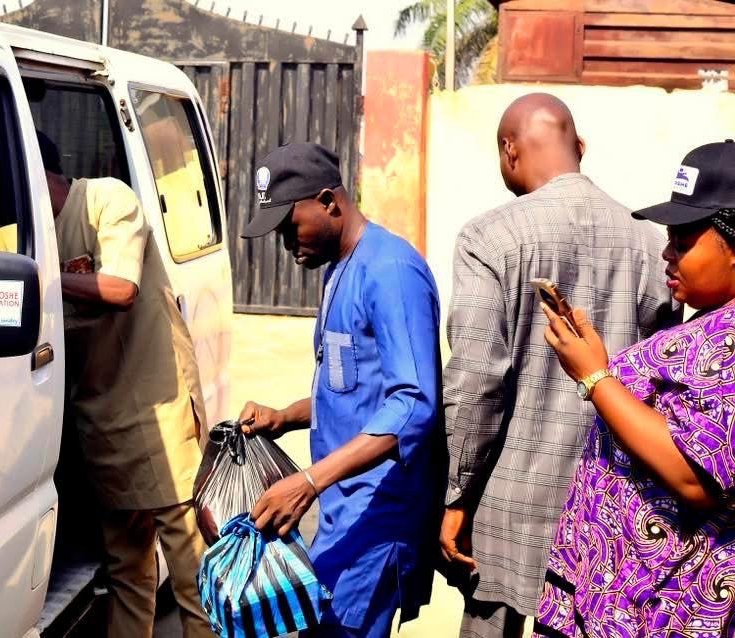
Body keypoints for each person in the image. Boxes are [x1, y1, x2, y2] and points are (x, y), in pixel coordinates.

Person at [441, 93, 677, 637]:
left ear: (509, 150)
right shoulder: (652, 243)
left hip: (508, 510)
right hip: (610, 511)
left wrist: (457, 495)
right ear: (581, 148)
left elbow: (475, 384)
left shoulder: (489, 237)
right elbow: (659, 385)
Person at [238, 142, 444, 638]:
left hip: (378, 514)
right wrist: (285, 416)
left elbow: (413, 406)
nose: (286, 245)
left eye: (290, 228)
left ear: (329, 202)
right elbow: (350, 390)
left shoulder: (391, 272)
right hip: (341, 509)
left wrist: (308, 482)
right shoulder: (338, 268)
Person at [536, 140, 735, 637]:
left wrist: (596, 378)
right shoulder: (711, 319)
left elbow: (696, 476)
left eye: (683, 241)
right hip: (619, 591)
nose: (667, 253)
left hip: (669, 605)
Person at [36, 131, 212, 637]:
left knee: (192, 569)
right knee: (127, 570)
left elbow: (120, 288)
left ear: (37, 174)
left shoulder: (107, 201)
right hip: (101, 415)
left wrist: (39, 278)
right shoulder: (30, 235)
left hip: (158, 405)